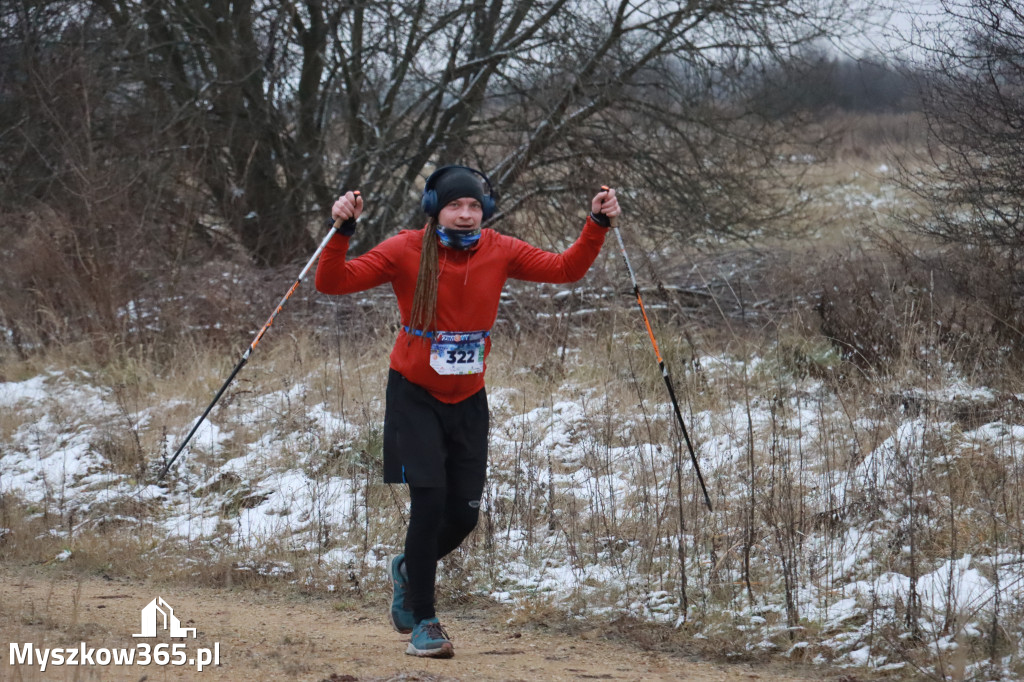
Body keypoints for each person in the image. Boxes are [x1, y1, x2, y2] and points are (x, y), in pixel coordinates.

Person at [315, 165, 620, 658]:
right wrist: (342, 229)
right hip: (414, 393)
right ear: (436, 207)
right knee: (429, 503)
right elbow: (333, 282)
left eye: (474, 206)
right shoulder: (404, 249)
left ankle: (409, 569)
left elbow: (566, 269)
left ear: (486, 211)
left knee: (463, 516)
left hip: (468, 399)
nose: (464, 214)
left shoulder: (501, 249)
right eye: (455, 205)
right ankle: (425, 621)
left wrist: (597, 224)